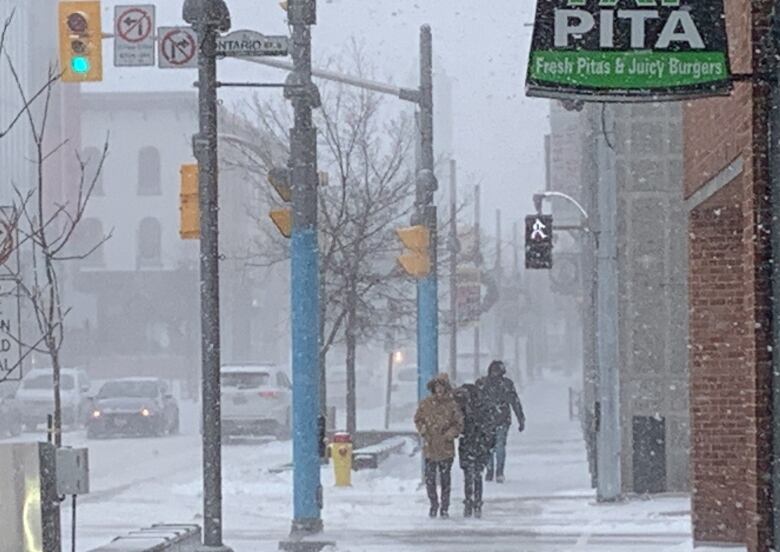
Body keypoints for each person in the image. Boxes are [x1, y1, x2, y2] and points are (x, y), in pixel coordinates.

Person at [414, 373, 464, 518]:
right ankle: (434, 504)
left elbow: (459, 424)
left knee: (445, 479)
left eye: (442, 386)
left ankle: (444, 506)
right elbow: (418, 419)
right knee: (430, 479)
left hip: (445, 448)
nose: (439, 389)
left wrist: (450, 433)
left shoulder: (452, 405)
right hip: (430, 447)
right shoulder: (426, 404)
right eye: (437, 386)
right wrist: (423, 429)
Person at [477, 360, 525, 483]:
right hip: (502, 419)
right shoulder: (506, 384)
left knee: (489, 446)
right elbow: (515, 402)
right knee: (499, 446)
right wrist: (520, 419)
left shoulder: (483, 384)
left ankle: (490, 470)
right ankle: (499, 471)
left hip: (487, 420)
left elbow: (476, 402)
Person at [454, 383, 496, 518]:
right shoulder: (480, 408)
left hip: (470, 445)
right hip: (477, 446)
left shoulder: (465, 409)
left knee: (470, 476)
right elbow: (489, 428)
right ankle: (476, 502)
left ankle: (470, 502)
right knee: (476, 476)